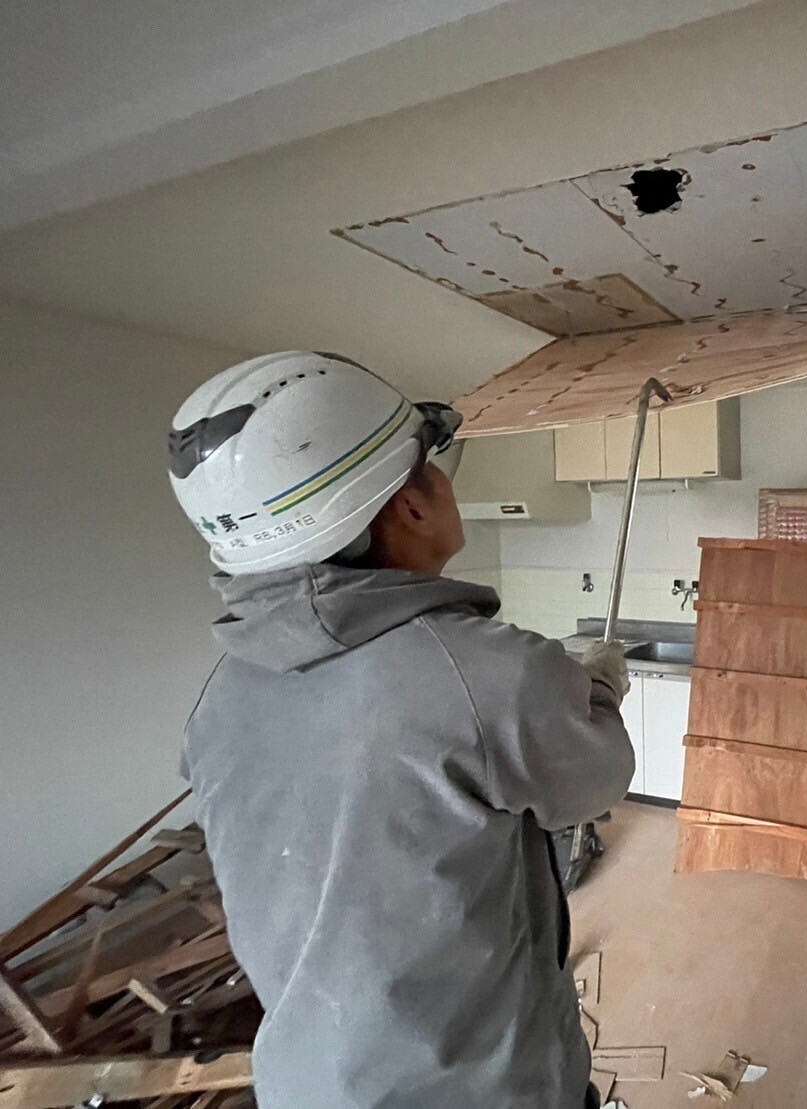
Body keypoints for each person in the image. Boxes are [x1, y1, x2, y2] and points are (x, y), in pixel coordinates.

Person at [166, 350, 634, 1108]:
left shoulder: (225, 691)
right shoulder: (490, 672)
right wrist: (600, 689)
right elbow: (596, 778)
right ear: (410, 508)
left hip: (309, 1083)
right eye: (433, 464)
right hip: (483, 1089)